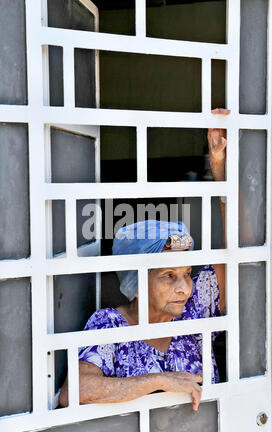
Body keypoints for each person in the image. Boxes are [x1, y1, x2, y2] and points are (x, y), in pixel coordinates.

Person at [59, 109, 229, 412]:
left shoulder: (195, 312)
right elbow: (73, 392)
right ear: (137, 283)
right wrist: (160, 381)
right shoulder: (108, 324)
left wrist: (220, 168)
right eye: (168, 275)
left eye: (187, 273)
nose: (184, 287)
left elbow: (238, 251)